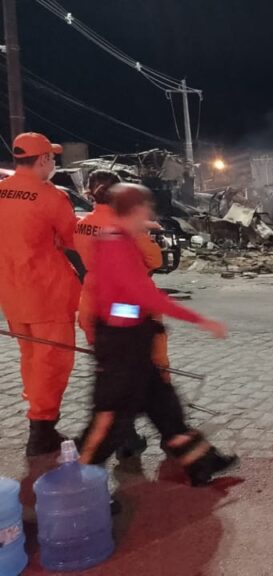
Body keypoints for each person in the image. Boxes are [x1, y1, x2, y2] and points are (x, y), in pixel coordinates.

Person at [78, 183, 238, 485]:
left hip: (133, 343)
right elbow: (142, 297)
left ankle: (200, 461)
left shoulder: (119, 236)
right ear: (136, 209)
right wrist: (200, 320)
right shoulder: (115, 244)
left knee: (166, 409)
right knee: (109, 420)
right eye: (146, 208)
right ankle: (78, 483)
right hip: (121, 349)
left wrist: (140, 321)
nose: (150, 213)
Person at [0, 133, 81, 457]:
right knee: (53, 362)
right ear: (44, 159)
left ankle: (39, 421)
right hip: (48, 295)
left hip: (13, 296)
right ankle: (42, 430)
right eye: (53, 158)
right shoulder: (50, 197)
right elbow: (74, 239)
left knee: (32, 360)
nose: (54, 163)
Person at [75, 170, 164, 460]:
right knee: (148, 365)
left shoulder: (82, 225)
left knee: (110, 370)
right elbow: (154, 259)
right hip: (126, 304)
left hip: (92, 302)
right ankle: (155, 433)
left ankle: (122, 437)